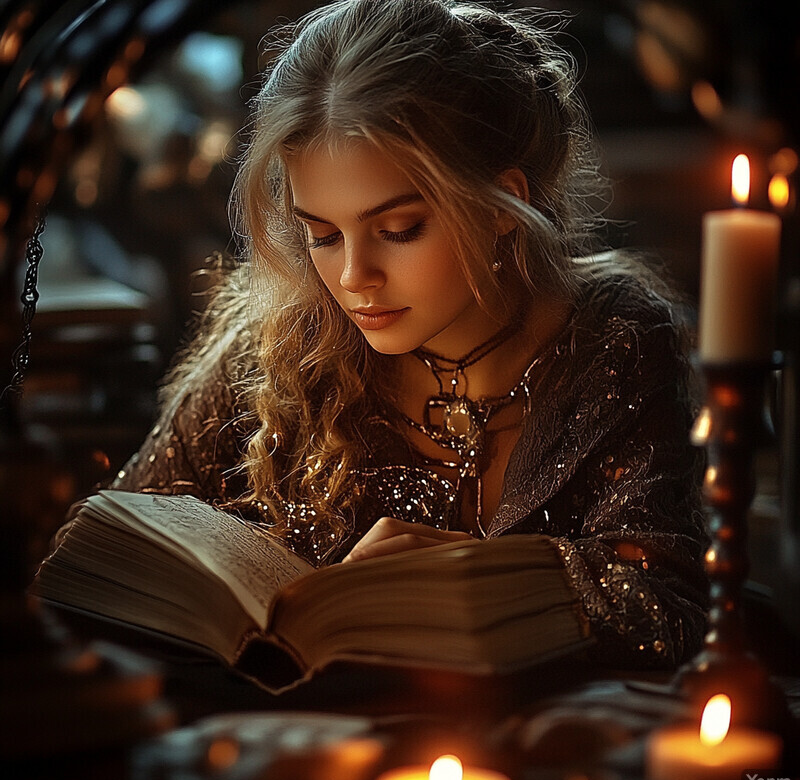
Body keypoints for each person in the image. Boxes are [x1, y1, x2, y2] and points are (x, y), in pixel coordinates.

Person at [99, 0, 708, 668]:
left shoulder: (613, 340)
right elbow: (116, 558)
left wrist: (489, 579)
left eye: (399, 230)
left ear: (508, 204)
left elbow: (672, 611)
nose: (355, 276)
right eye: (323, 235)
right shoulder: (277, 340)